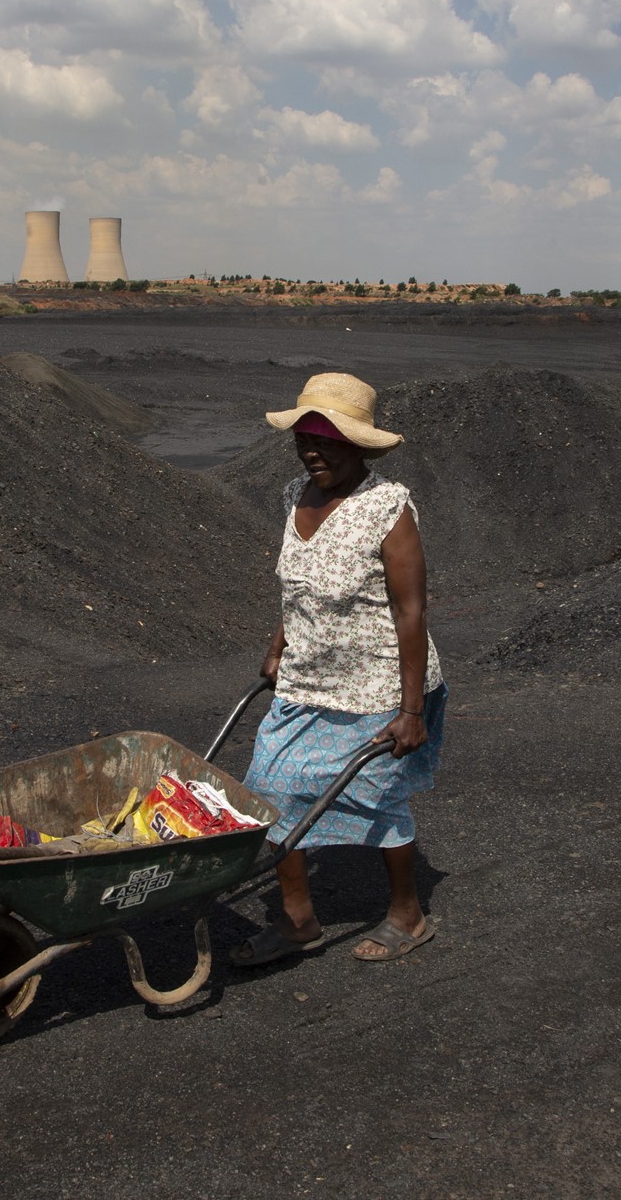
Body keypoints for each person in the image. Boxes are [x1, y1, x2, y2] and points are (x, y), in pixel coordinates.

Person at [232, 372, 447, 966]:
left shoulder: (388, 508)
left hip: (378, 680)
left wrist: (410, 711)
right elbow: (296, 586)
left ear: (359, 444)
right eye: (305, 438)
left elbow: (411, 609)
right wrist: (277, 645)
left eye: (328, 440)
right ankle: (299, 921)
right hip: (308, 675)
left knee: (374, 799)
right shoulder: (292, 496)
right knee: (272, 788)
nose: (313, 451)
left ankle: (408, 913)